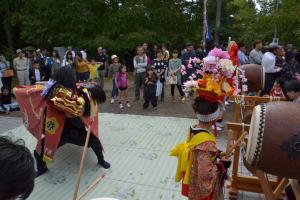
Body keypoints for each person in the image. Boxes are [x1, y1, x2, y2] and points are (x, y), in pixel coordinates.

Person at [17, 67, 111, 177]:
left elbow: (96, 93)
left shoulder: (79, 92)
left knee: (95, 141)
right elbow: (29, 93)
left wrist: (85, 105)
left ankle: (101, 159)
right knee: (38, 152)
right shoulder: (49, 94)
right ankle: (42, 168)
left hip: (76, 131)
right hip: (58, 133)